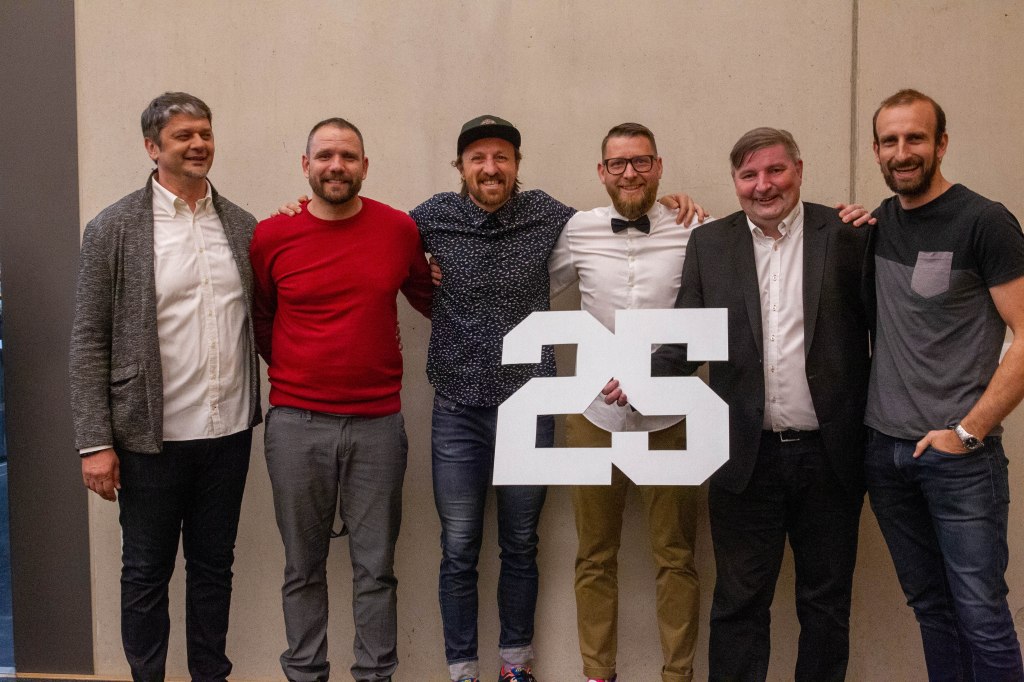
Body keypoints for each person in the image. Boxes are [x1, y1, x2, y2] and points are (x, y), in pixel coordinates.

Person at [277, 115, 700, 682]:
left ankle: (514, 665)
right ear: (461, 167)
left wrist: (670, 202)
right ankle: (462, 670)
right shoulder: (428, 218)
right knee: (459, 544)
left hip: (531, 404)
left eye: (502, 157)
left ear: (517, 165)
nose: (491, 167)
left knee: (521, 543)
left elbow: (627, 204)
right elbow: (364, 228)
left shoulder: (551, 216)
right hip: (457, 408)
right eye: (478, 158)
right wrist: (300, 209)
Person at [610, 127, 873, 681]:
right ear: (735, 181)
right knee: (738, 605)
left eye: (775, 170)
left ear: (799, 170)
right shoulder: (710, 244)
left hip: (830, 457)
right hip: (743, 456)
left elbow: (885, 329)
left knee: (826, 606)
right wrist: (638, 378)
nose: (763, 185)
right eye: (749, 175)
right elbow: (685, 342)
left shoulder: (847, 235)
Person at [69, 92, 261, 682]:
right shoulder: (113, 228)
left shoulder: (243, 226)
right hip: (148, 439)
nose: (198, 144)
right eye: (183, 136)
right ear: (152, 148)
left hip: (228, 432)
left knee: (214, 570)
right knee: (145, 573)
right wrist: (94, 442)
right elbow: (89, 339)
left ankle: (210, 675)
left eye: (205, 133)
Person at [250, 118, 433, 682]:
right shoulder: (271, 235)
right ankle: (306, 673)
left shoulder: (398, 229)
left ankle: (375, 675)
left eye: (348, 156)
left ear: (365, 166)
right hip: (296, 424)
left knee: (376, 569)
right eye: (325, 156)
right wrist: (301, 372)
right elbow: (261, 318)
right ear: (306, 165)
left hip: (377, 425)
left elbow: (430, 296)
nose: (337, 166)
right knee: (302, 567)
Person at [864, 89, 1024, 680]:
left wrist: (968, 432)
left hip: (960, 460)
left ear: (941, 144)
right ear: (876, 150)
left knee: (982, 616)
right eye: (889, 140)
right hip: (885, 455)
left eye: (915, 138)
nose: (902, 151)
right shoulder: (877, 224)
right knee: (932, 610)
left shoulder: (984, 221)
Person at [547, 122, 704, 682]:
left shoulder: (694, 228)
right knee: (594, 555)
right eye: (618, 163)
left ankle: (677, 675)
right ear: (602, 172)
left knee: (676, 555)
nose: (630, 173)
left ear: (658, 167)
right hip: (593, 415)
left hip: (672, 415)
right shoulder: (577, 230)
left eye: (641, 161)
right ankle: (598, 673)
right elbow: (526, 284)